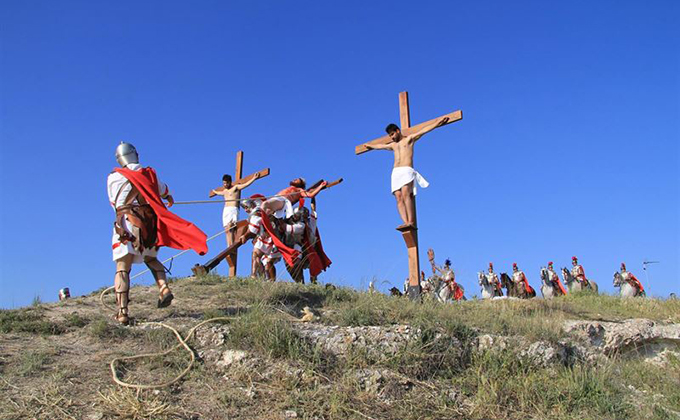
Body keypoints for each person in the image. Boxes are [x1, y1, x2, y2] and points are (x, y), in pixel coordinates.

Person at [108, 142, 207, 325]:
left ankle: (122, 313)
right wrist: (168, 197)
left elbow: (114, 204)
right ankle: (163, 288)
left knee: (122, 267)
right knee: (151, 259)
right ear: (135, 154)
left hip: (126, 224)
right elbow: (163, 190)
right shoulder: (149, 174)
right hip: (149, 225)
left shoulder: (113, 178)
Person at [363, 117, 449, 230]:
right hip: (395, 172)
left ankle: (410, 221)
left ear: (398, 130)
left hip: (406, 170)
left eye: (393, 134)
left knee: (405, 193)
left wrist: (437, 123)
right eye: (390, 136)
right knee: (398, 197)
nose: (392, 137)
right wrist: (370, 145)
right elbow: (380, 146)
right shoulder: (393, 145)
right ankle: (405, 222)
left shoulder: (409, 139)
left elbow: (424, 130)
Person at [210, 173, 260, 247]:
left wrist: (253, 178)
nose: (225, 185)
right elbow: (218, 192)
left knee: (231, 227)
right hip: (226, 210)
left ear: (230, 182)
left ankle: (232, 245)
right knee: (226, 229)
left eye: (226, 183)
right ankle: (228, 245)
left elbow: (245, 185)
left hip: (233, 209)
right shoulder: (224, 191)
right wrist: (214, 191)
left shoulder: (235, 188)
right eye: (223, 183)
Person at [261, 178, 327, 219]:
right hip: (276, 199)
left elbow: (311, 195)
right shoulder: (289, 188)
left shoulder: (299, 190)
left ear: (300, 184)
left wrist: (320, 186)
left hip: (282, 201)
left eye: (298, 179)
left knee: (264, 204)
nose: (295, 179)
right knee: (262, 214)